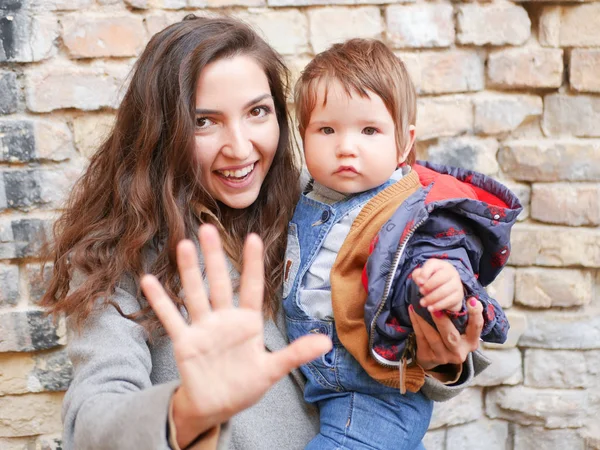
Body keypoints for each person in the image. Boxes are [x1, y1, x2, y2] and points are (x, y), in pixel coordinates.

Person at [42, 15, 490, 450]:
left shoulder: (324, 201)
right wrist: (187, 411)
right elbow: (90, 423)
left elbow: (410, 358)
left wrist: (438, 358)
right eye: (204, 121)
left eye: (257, 111)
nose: (240, 147)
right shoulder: (115, 255)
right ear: (161, 131)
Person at [283, 38, 522, 450]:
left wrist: (444, 282)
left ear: (404, 142)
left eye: (369, 130)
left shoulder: (412, 209)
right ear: (302, 135)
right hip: (317, 383)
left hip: (378, 394)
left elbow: (439, 251)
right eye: (326, 129)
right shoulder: (303, 197)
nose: (346, 147)